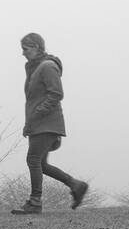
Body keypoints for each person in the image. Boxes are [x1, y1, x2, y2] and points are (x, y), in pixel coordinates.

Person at [13, 32, 88, 214]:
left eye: (26, 49)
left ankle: (35, 202)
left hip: (47, 123)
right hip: (38, 123)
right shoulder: (34, 69)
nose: (23, 53)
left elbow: (56, 94)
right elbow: (34, 99)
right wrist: (28, 123)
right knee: (42, 164)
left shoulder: (47, 66)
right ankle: (75, 185)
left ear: (37, 47)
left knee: (33, 159)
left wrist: (37, 115)